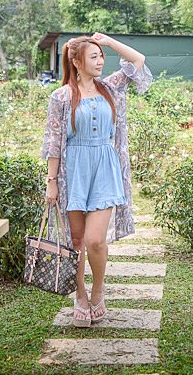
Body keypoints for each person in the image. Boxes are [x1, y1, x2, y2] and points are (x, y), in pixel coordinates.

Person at [40, 32, 152, 327]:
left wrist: (110, 42)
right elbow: (53, 141)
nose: (101, 61)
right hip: (72, 171)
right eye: (94, 56)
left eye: (101, 56)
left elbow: (138, 61)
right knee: (76, 241)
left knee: (95, 240)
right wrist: (51, 181)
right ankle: (80, 296)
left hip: (104, 167)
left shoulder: (110, 87)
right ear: (76, 62)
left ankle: (99, 289)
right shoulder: (61, 96)